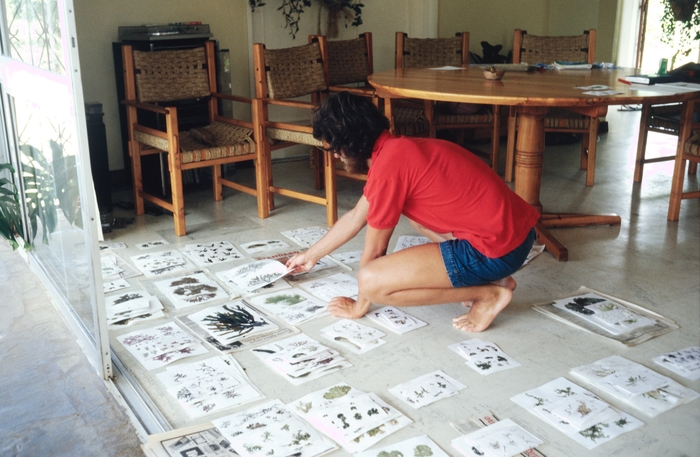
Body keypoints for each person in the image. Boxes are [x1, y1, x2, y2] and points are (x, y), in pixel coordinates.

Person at [286, 91, 540, 332]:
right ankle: (495, 280)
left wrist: (358, 306)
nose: (336, 157)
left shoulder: (388, 169)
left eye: (334, 149)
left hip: (496, 251)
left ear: (349, 144)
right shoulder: (397, 149)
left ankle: (488, 294)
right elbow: (355, 216)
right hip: (516, 238)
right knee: (418, 219)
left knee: (372, 282)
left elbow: (374, 252)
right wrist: (310, 255)